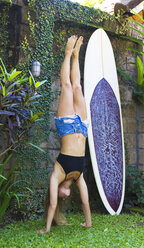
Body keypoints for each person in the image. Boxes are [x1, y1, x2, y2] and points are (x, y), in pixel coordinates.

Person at [37, 35, 92, 233]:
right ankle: (76, 55)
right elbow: (85, 202)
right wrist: (88, 223)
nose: (64, 197)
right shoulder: (79, 177)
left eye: (60, 196)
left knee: (67, 87)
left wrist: (47, 229)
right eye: (64, 197)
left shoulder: (57, 174)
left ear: (57, 189)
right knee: (78, 86)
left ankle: (67, 53)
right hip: (83, 127)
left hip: (67, 125)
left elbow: (52, 205)